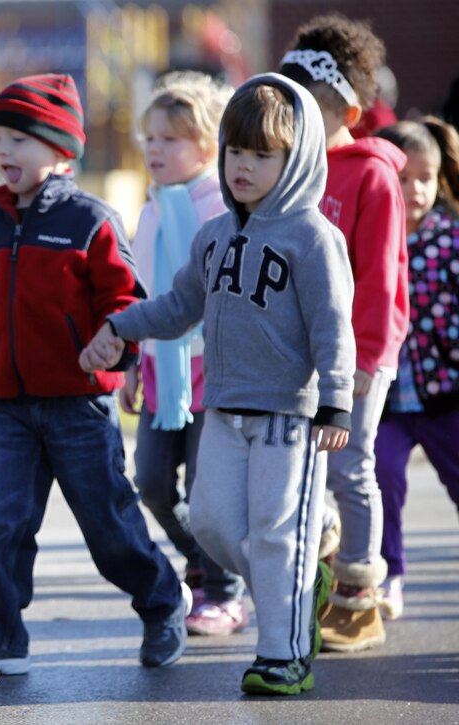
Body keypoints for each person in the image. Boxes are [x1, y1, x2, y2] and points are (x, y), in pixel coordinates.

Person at [80, 73, 356, 695]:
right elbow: (176, 307)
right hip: (224, 410)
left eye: (263, 155)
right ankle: (299, 583)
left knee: (275, 533)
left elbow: (333, 324)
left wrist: (336, 401)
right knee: (208, 522)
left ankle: (282, 657)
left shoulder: (314, 238)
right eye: (236, 152)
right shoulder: (213, 236)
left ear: (299, 158)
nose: (243, 167)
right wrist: (120, 326)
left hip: (291, 416)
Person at [0, 72, 191, 678]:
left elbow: (127, 299)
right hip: (11, 411)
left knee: (109, 525)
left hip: (79, 406)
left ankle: (162, 605)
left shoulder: (90, 220)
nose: (3, 152)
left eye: (18, 140)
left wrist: (118, 349)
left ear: (60, 149)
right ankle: (2, 632)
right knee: (2, 522)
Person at [279, 13, 409, 653]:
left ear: (346, 108)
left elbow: (381, 282)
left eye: (310, 106)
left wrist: (363, 362)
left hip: (362, 350)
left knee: (351, 463)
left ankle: (360, 590)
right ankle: (324, 561)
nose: (296, 118)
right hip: (304, 345)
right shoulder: (290, 169)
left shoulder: (372, 174)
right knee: (309, 463)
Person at [126, 71, 248, 637]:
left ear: (207, 146)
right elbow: (144, 294)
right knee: (150, 481)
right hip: (159, 369)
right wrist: (132, 361)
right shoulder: (152, 206)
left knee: (208, 492)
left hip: (213, 370)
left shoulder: (220, 210)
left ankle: (225, 593)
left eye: (170, 139)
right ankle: (200, 561)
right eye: (149, 137)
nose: (155, 148)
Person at [372, 117, 459, 620]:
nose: (415, 190)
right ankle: (390, 574)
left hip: (445, 393)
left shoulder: (449, 241)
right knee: (382, 477)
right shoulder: (369, 241)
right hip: (385, 399)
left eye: (425, 178)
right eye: (403, 179)